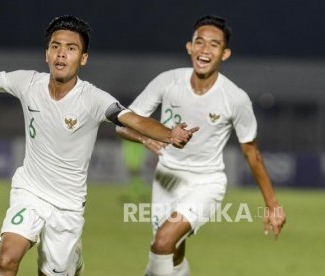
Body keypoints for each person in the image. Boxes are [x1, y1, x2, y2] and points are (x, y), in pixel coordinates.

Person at [0, 15, 198, 276]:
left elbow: (133, 119)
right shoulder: (26, 82)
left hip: (68, 207)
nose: (61, 53)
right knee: (7, 260)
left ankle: (71, 264)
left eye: (71, 48)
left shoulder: (93, 98)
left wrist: (169, 133)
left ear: (83, 58)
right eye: (55, 46)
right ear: (46, 53)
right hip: (29, 192)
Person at [116, 15, 286, 276]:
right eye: (200, 42)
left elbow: (251, 153)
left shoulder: (235, 99)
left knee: (162, 243)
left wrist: (272, 204)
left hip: (206, 183)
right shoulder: (168, 82)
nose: (205, 49)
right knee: (171, 252)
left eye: (214, 44)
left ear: (225, 53)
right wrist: (147, 138)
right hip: (166, 177)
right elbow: (123, 124)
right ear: (189, 47)